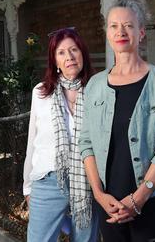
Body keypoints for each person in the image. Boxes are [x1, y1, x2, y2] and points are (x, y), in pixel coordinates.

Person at [79, 0, 155, 242]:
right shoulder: (95, 85)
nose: (121, 31)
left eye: (129, 25)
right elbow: (86, 142)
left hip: (150, 203)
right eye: (114, 26)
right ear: (107, 33)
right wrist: (98, 194)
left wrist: (139, 198)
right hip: (108, 204)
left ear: (140, 33)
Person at [23, 27, 99, 242]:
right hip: (48, 180)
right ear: (54, 61)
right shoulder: (40, 93)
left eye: (74, 50)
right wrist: (27, 186)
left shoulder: (97, 90)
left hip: (88, 181)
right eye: (62, 52)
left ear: (82, 53)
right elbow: (33, 141)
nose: (69, 57)